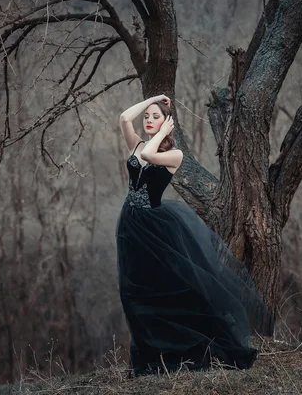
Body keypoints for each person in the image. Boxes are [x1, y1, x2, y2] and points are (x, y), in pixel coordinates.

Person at [116, 94, 271, 377]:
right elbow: (125, 118)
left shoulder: (174, 155)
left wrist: (163, 132)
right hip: (130, 225)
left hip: (156, 228)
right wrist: (152, 99)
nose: (149, 120)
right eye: (147, 117)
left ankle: (188, 349)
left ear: (167, 123)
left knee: (166, 288)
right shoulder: (136, 144)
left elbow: (150, 157)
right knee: (132, 291)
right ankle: (147, 357)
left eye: (156, 117)